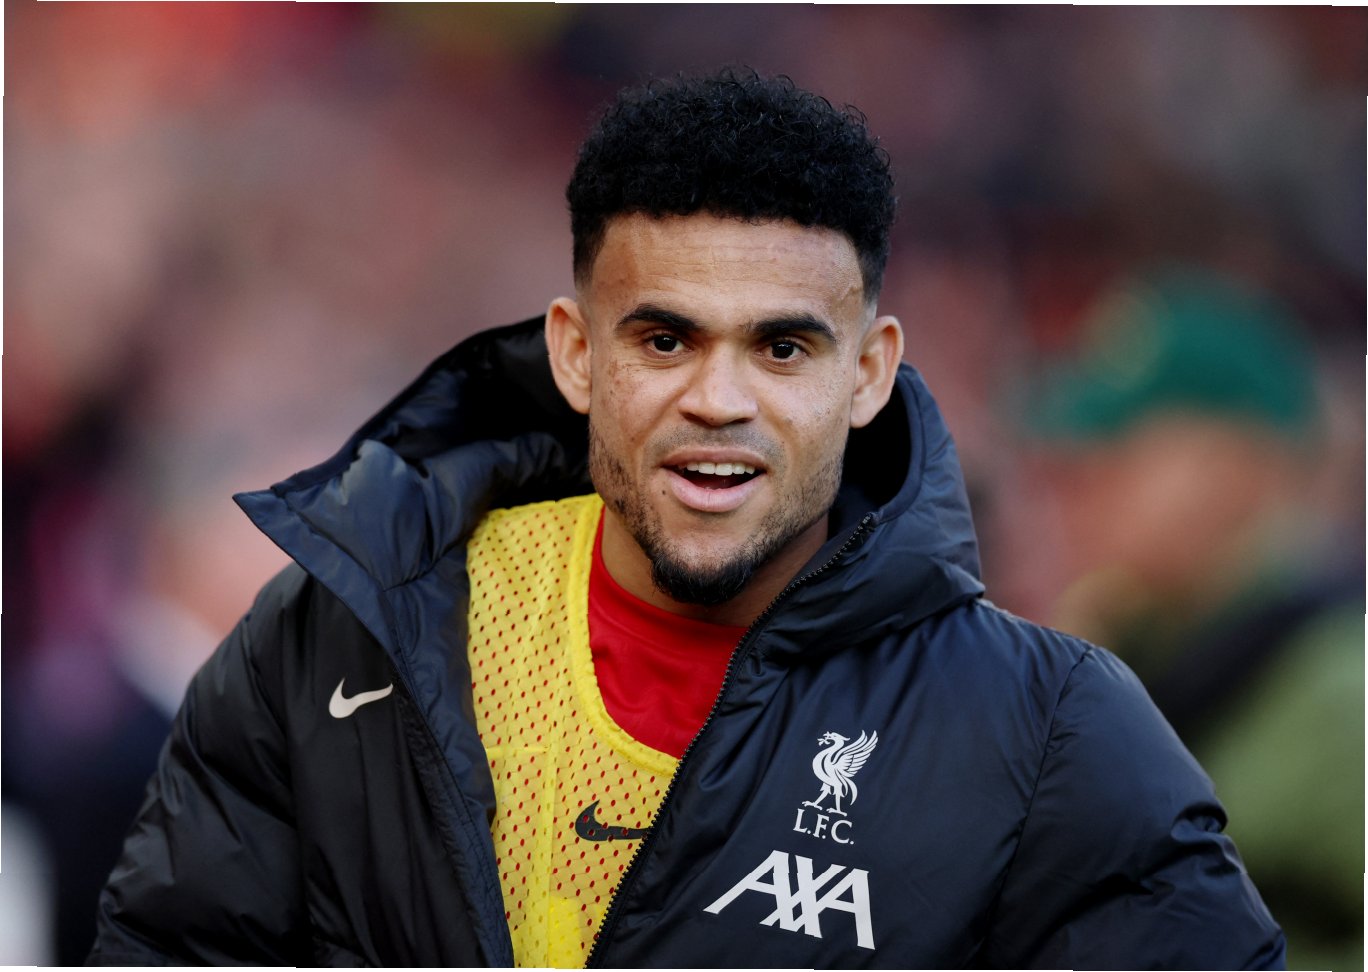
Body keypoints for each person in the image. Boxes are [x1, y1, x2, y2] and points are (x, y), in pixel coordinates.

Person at [89, 69, 1284, 968]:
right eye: (665, 340)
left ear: (870, 372)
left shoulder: (1049, 733)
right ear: (575, 353)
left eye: (783, 348)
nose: (719, 399)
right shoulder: (346, 633)